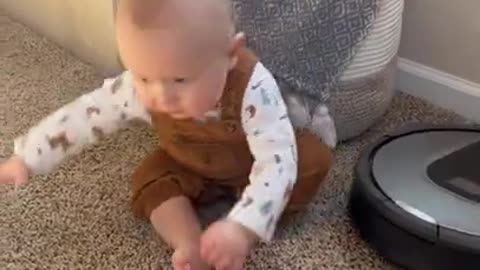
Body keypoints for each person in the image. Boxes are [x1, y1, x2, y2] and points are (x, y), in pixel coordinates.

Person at [0, 0, 333, 269]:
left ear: (229, 55)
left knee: (308, 161)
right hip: (189, 163)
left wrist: (243, 228)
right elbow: (84, 116)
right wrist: (27, 157)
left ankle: (238, 219)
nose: (161, 97)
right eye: (144, 77)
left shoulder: (254, 86)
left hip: (252, 160)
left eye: (180, 80)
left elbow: (276, 160)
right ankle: (189, 242)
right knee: (150, 178)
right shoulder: (140, 85)